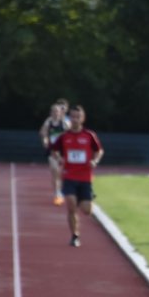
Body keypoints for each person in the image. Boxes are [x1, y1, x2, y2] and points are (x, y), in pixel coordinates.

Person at [50, 105, 103, 247]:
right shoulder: (64, 136)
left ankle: (85, 198)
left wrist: (95, 161)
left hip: (85, 177)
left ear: (82, 119)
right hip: (69, 176)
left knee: (87, 211)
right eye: (73, 116)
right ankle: (75, 235)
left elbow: (99, 150)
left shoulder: (89, 135)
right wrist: (59, 158)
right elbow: (54, 150)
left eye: (78, 117)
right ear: (70, 118)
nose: (75, 119)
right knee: (71, 206)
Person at [39, 101, 71, 205]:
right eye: (54, 111)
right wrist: (45, 141)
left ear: (60, 112)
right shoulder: (49, 122)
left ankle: (62, 190)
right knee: (55, 170)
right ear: (51, 112)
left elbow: (71, 133)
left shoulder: (65, 122)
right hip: (52, 150)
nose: (56, 113)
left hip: (63, 151)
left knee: (62, 173)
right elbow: (43, 133)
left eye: (57, 111)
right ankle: (57, 193)